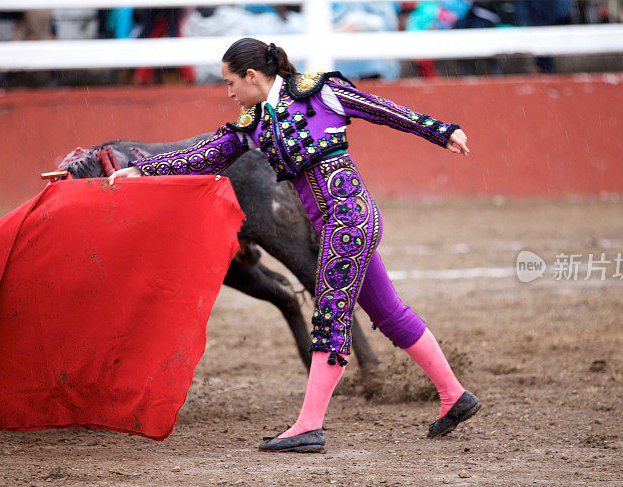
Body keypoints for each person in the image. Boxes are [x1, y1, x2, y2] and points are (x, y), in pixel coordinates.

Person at [108, 38, 480, 453]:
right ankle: (455, 396)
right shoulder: (254, 123)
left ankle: (309, 425)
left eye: (232, 82)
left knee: (330, 317)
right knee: (389, 312)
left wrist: (443, 131)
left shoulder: (319, 91)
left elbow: (386, 111)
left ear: (252, 76)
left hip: (349, 220)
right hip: (335, 226)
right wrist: (143, 170)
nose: (229, 93)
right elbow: (206, 155)